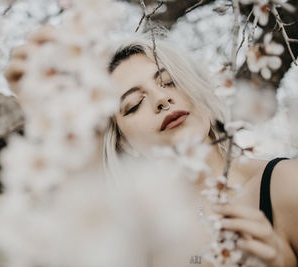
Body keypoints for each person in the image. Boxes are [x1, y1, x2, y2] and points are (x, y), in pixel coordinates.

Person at [103, 36, 298, 266]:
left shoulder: (287, 183)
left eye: (169, 81)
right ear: (124, 143)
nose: (161, 99)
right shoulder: (136, 246)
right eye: (134, 104)